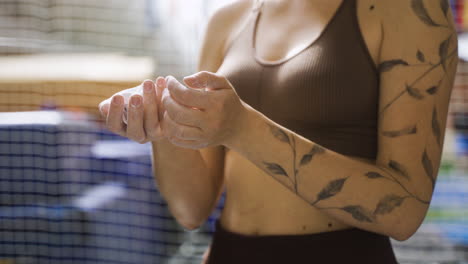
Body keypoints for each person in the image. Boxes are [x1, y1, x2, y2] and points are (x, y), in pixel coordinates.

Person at [99, 0, 458, 263]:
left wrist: (243, 128)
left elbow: (405, 210)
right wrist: (162, 125)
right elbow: (191, 208)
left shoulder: (408, 10)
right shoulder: (229, 19)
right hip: (230, 252)